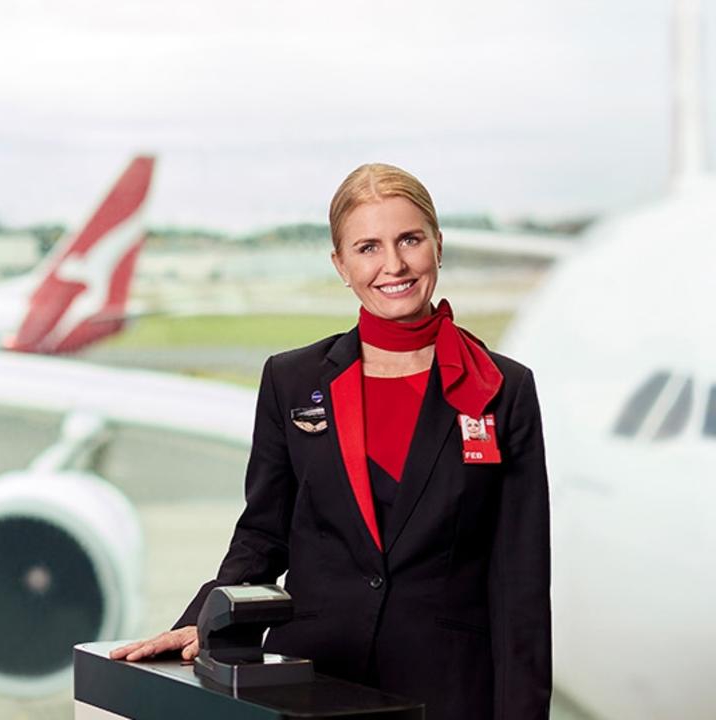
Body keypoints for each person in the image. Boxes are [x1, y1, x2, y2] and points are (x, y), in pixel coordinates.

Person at [112, 164, 551, 718]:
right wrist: (203, 617)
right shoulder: (292, 380)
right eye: (368, 247)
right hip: (313, 683)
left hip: (448, 689)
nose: (393, 265)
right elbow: (263, 533)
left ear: (438, 246)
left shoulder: (503, 388)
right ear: (341, 265)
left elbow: (521, 585)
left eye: (409, 240)